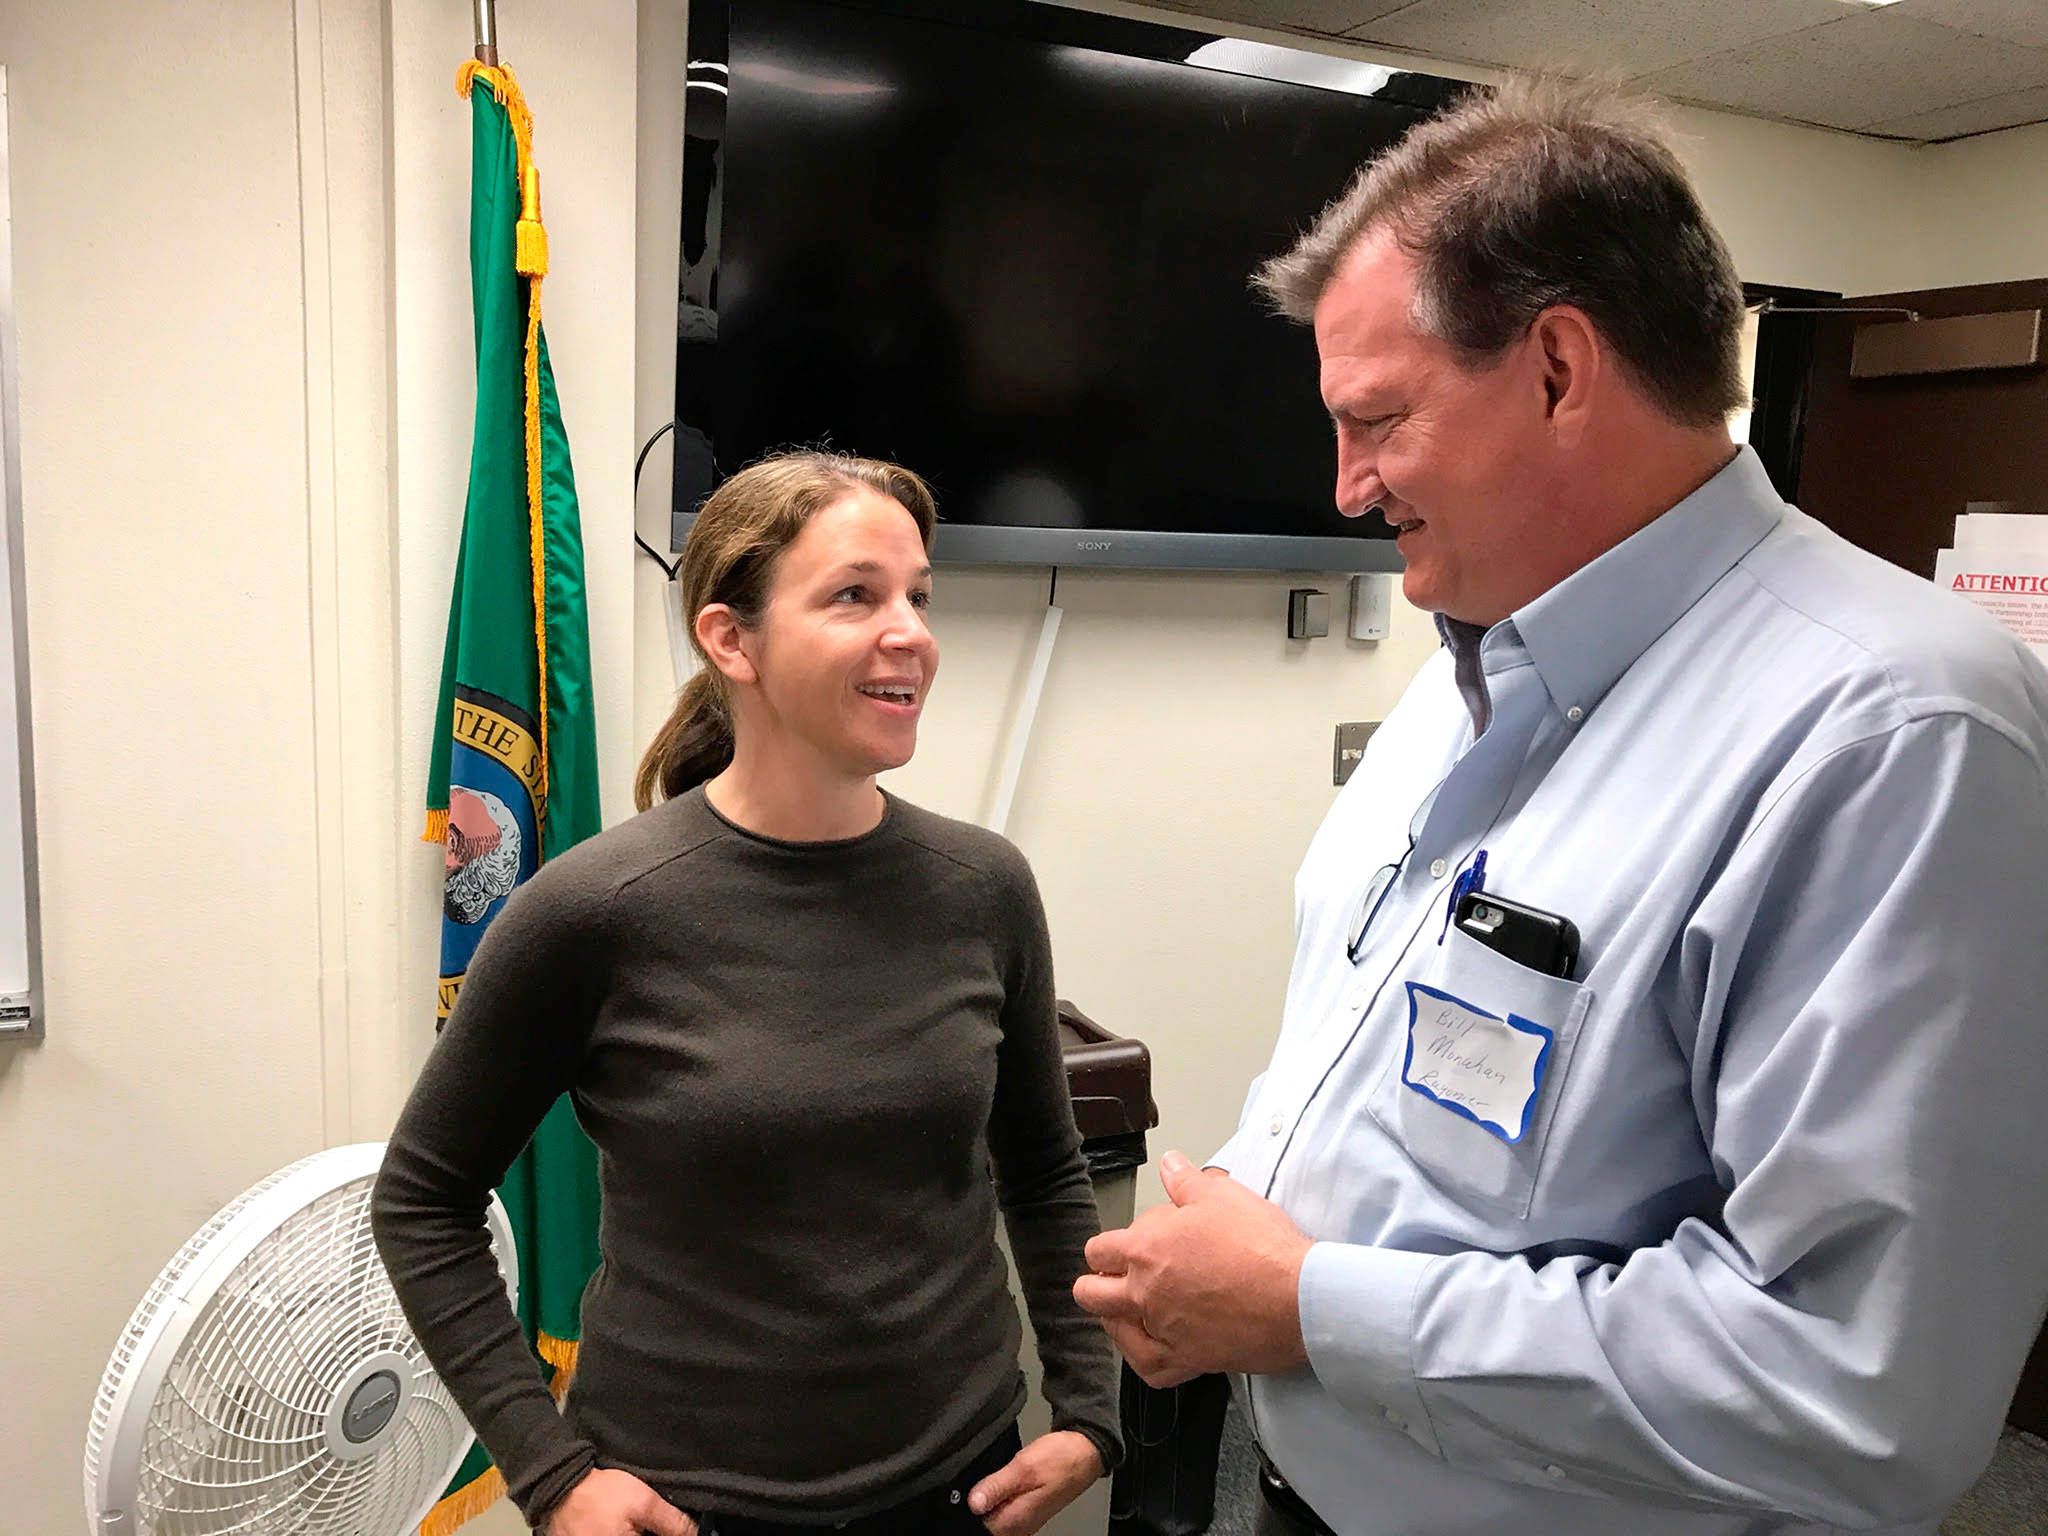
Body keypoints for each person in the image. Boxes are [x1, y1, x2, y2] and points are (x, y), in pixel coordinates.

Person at [1074, 76, 2048, 1536]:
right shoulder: (1469, 658)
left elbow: (1853, 1387)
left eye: (1376, 420)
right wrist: (1253, 1206)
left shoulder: (1895, 735)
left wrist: (1312, 1305)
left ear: (1555, 369)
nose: (1345, 488)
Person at [374, 450, 1119, 1536]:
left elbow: (1045, 1172)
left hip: (962, 1483)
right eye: (855, 595)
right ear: (731, 639)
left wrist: (1090, 1412)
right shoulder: (593, 911)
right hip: (686, 1506)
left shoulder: (983, 887)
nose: (910, 632)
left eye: (918, 596)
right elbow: (422, 1202)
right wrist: (549, 1472)